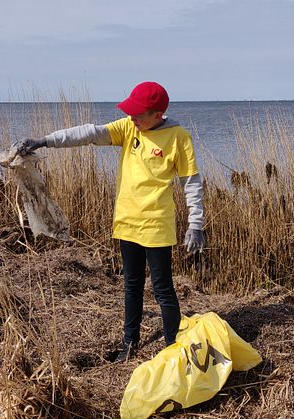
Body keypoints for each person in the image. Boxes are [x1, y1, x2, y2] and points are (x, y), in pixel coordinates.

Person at [15, 81, 205, 363]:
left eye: (139, 114)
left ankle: (172, 348)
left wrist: (196, 223)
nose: (132, 118)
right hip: (127, 223)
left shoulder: (178, 137)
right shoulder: (129, 129)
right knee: (132, 284)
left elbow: (191, 183)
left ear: (157, 114)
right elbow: (90, 133)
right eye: (131, 113)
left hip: (156, 226)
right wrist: (44, 140)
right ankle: (130, 344)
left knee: (163, 288)